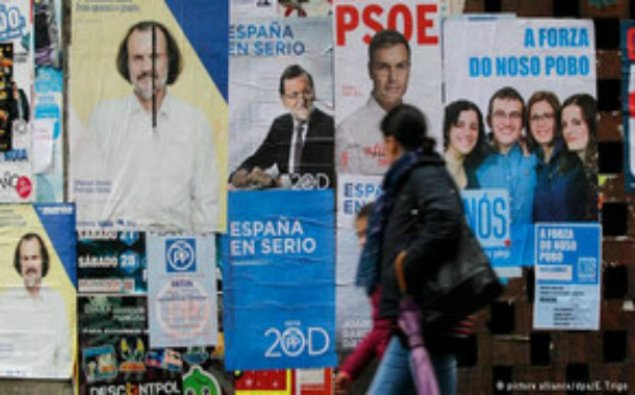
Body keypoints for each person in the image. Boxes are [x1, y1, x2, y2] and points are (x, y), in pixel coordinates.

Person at [364, 104, 468, 395]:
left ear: (391, 141)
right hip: (415, 319)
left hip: (425, 314)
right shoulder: (414, 174)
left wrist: (406, 264)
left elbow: (446, 219)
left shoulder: (422, 174)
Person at [84, 20, 218, 232]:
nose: (146, 67)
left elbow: (206, 202)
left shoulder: (194, 122)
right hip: (117, 250)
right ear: (126, 64)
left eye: (155, 57)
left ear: (169, 60)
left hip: (177, 249)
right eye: (138, 58)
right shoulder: (103, 118)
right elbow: (89, 197)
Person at [230, 64, 335, 189]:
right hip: (284, 201)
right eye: (294, 95)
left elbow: (326, 176)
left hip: (316, 200)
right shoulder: (280, 125)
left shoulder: (329, 126)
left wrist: (276, 182)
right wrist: (241, 172)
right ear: (284, 100)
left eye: (306, 92)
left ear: (314, 93)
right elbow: (260, 158)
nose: (301, 101)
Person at [335, 203, 394, 394]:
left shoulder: (390, 269)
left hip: (401, 362)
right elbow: (380, 328)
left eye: (366, 233)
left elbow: (382, 329)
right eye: (359, 235)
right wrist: (350, 370)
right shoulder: (380, 269)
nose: (362, 241)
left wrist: (349, 370)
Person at [336, 29, 411, 175]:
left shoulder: (425, 128)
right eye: (383, 67)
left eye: (400, 66)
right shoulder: (348, 133)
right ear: (370, 70)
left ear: (409, 69)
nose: (393, 77)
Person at [0, 233, 71, 378]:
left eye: (34, 258)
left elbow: (64, 353)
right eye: (25, 259)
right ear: (19, 263)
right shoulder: (6, 301)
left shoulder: (56, 301)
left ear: (43, 261)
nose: (30, 265)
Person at [527, 91, 588, 222]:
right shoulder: (529, 162)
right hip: (540, 240)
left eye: (547, 116)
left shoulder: (575, 156)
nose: (541, 123)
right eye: (535, 118)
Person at [561, 93, 599, 220]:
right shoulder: (574, 169)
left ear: (592, 124)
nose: (568, 131)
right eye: (564, 125)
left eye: (576, 122)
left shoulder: (600, 172)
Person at [442, 100, 487, 189]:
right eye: (459, 125)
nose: (467, 133)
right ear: (447, 130)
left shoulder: (473, 172)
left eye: (473, 127)